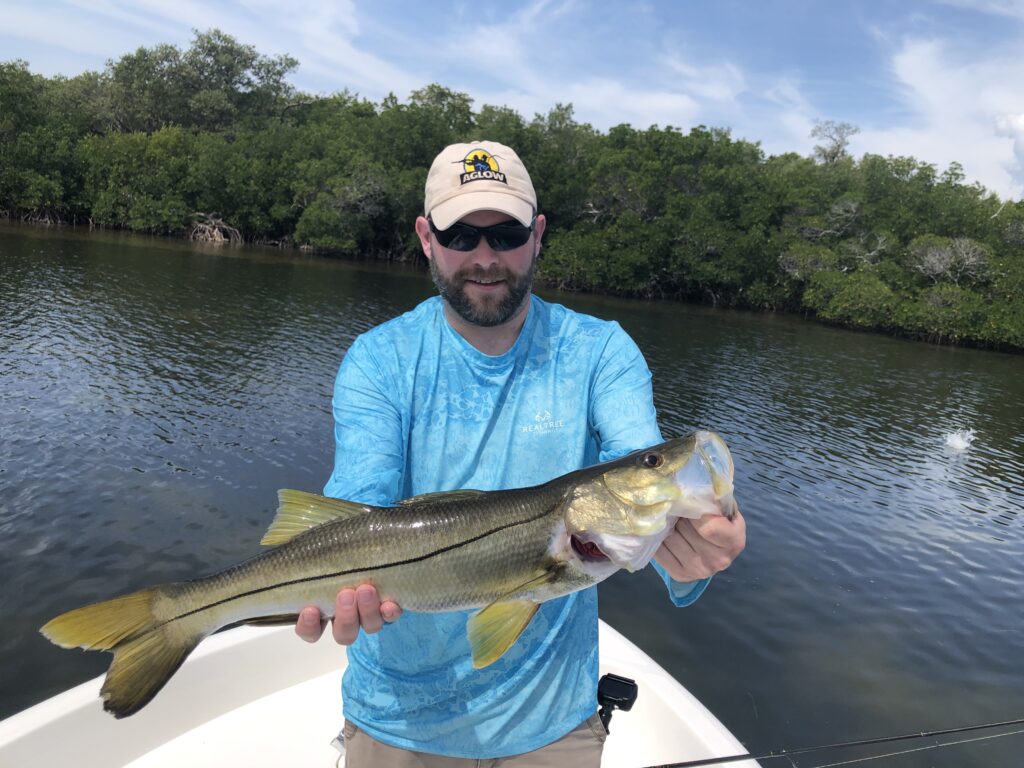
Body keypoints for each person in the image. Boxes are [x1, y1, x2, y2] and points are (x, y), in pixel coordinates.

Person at [294, 141, 746, 766]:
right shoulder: (380, 359)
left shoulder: (600, 353)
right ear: (427, 238)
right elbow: (359, 502)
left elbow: (637, 466)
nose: (485, 258)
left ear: (537, 236)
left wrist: (693, 554)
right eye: (460, 235)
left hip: (555, 722)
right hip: (395, 721)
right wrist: (340, 586)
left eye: (505, 234)